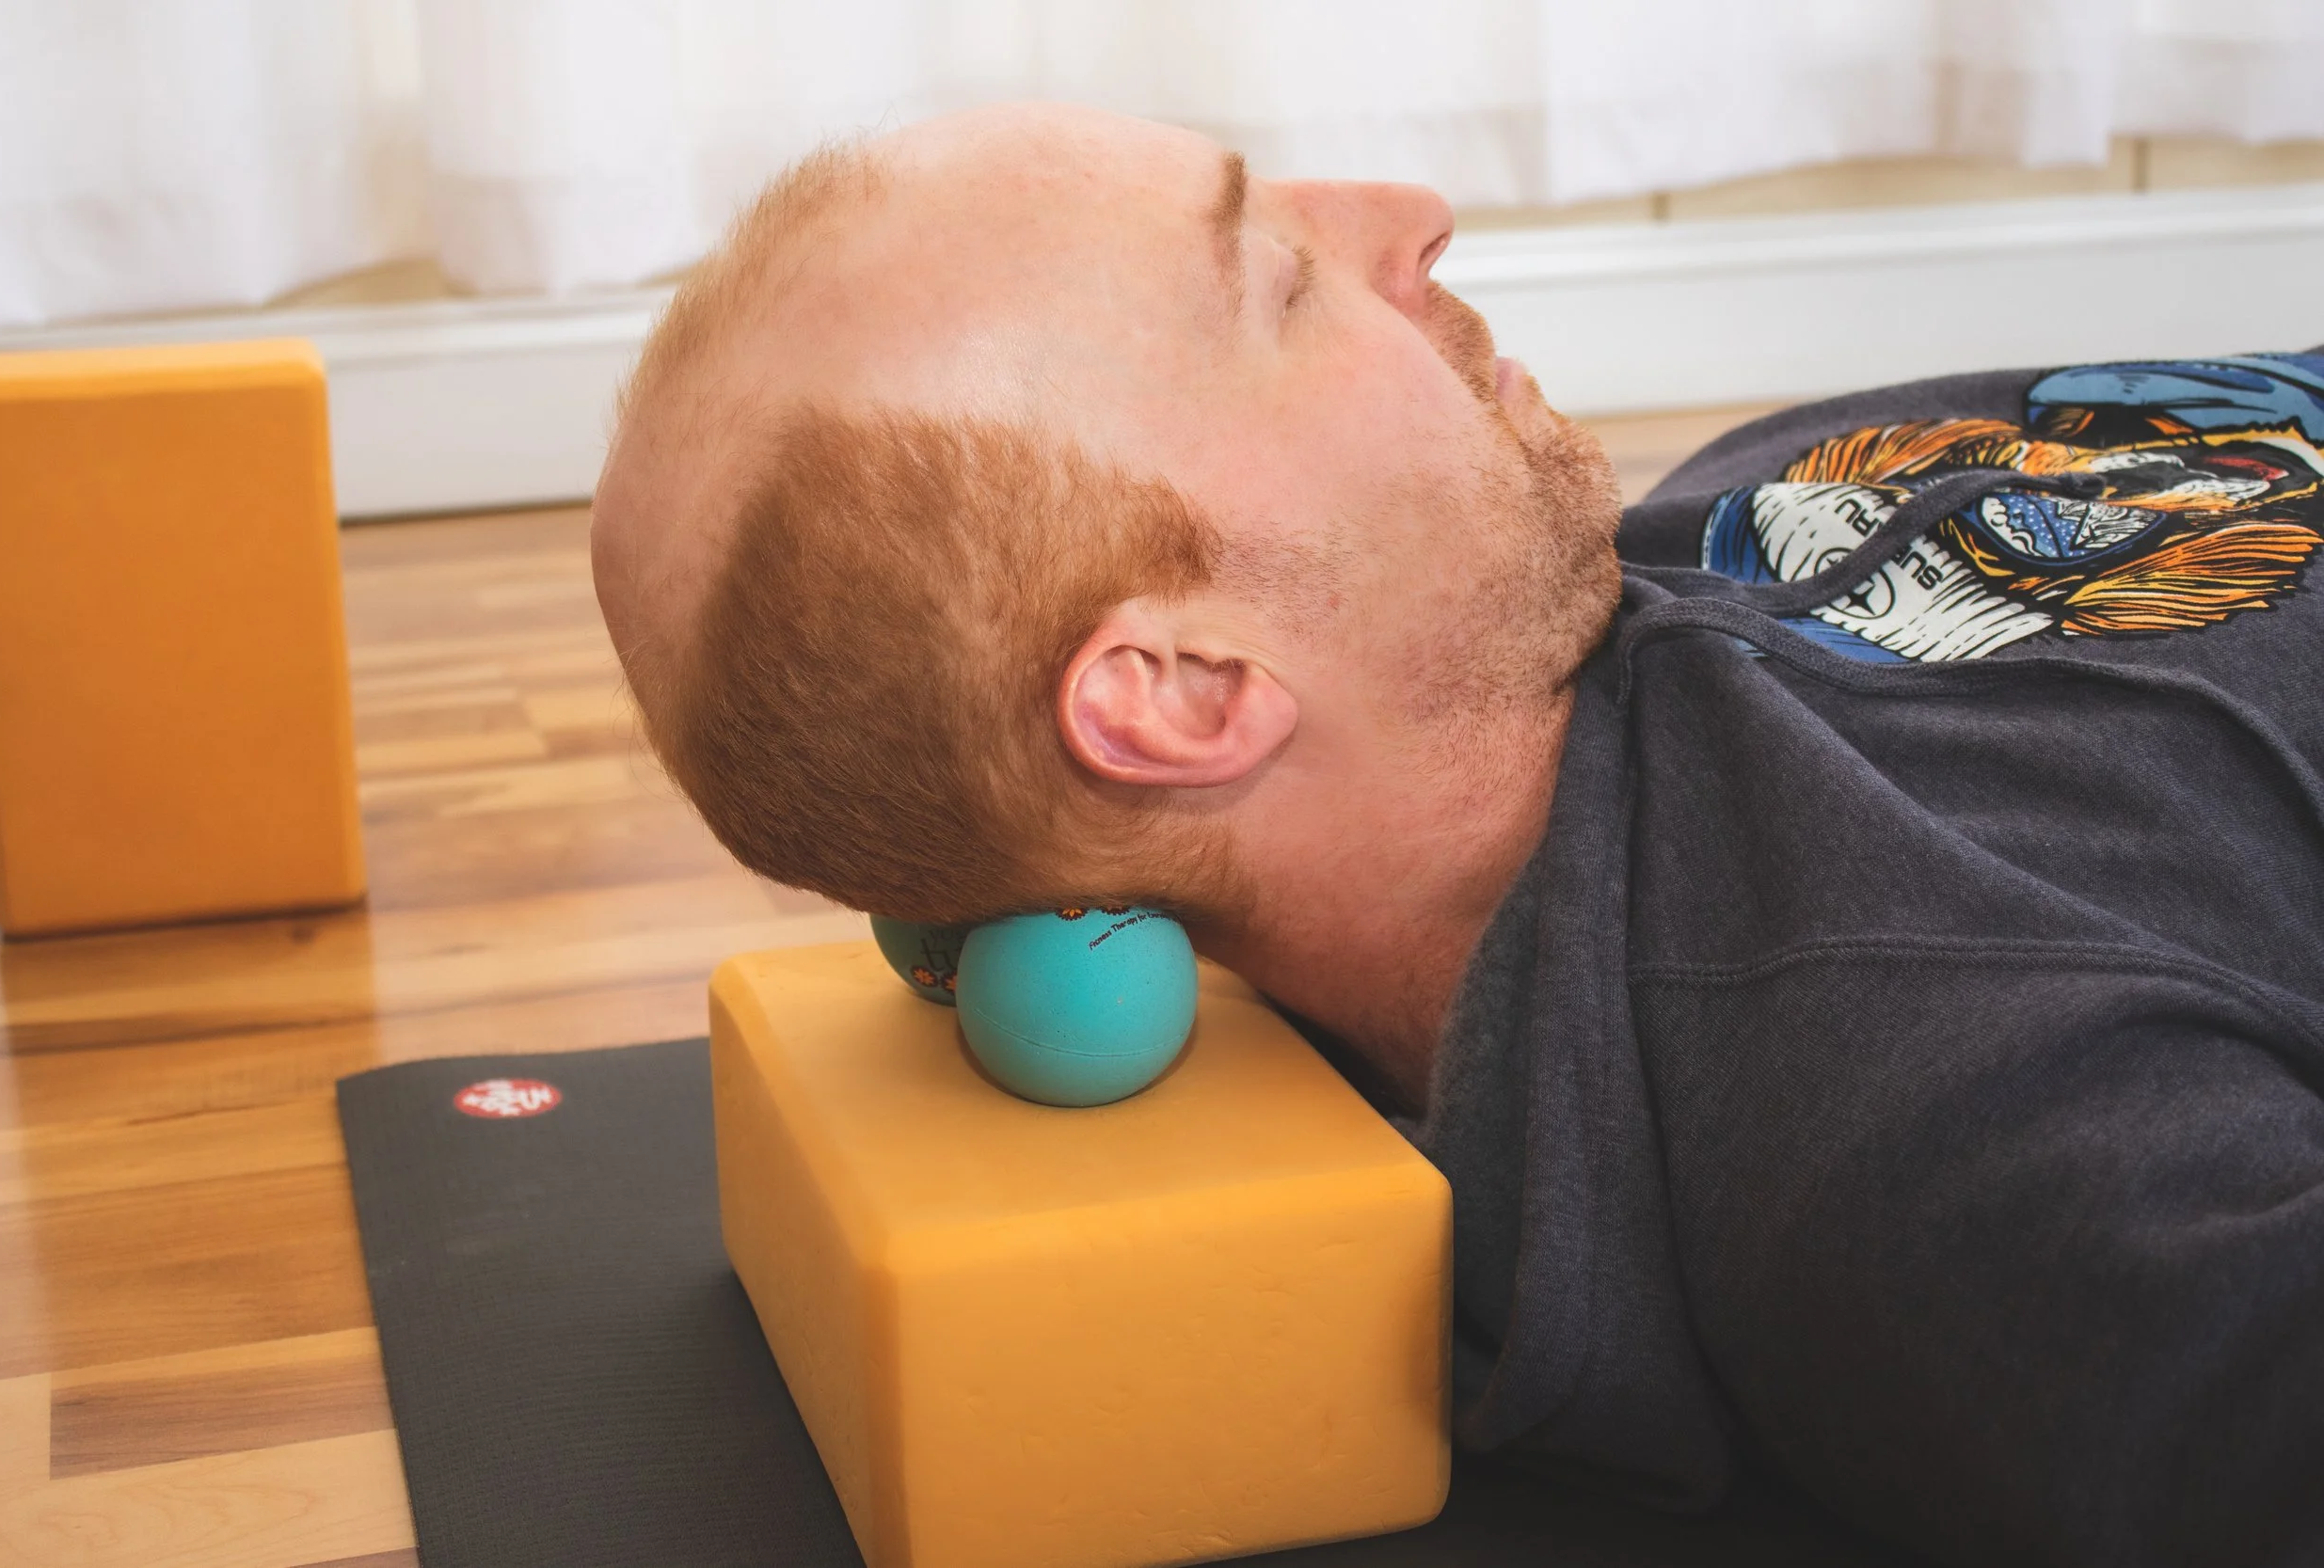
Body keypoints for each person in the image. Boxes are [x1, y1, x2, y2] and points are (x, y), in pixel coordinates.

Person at [591, 102, 2324, 1567]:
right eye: (1274, 280)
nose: (1413, 218)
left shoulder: (1684, 529)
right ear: (1189, 693)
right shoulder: (1899, 1097)